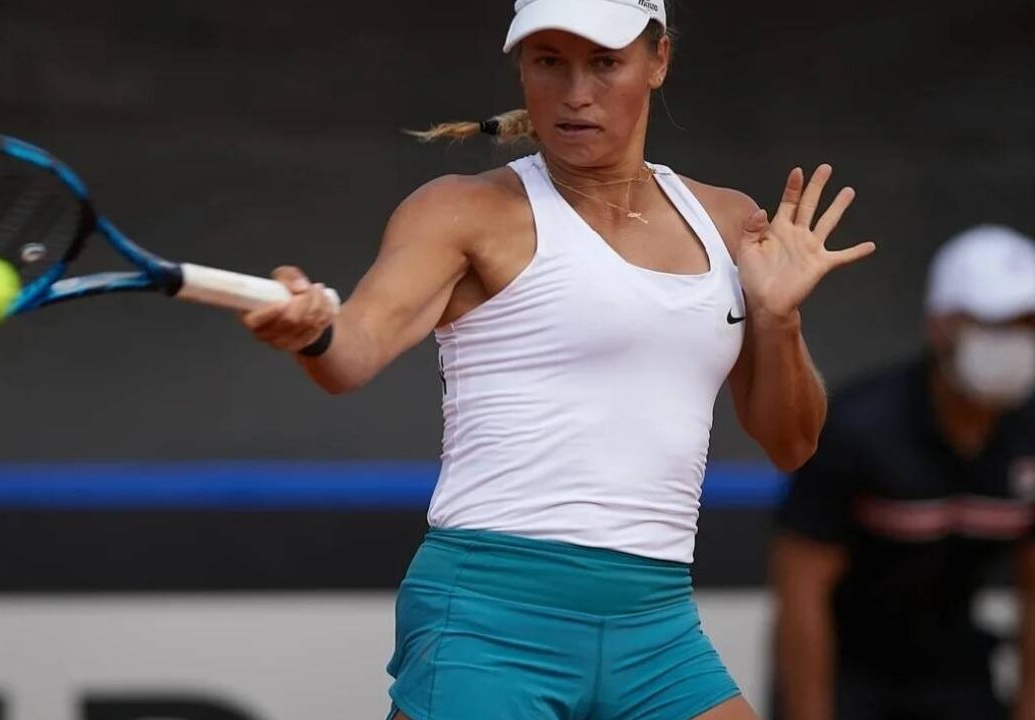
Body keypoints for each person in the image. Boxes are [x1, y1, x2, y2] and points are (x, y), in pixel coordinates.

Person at [242, 0, 874, 717]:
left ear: (659, 61)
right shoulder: (460, 210)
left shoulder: (729, 221)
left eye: (605, 63)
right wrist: (312, 332)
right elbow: (350, 355)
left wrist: (779, 317)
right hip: (489, 618)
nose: (576, 93)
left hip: (657, 625)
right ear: (523, 68)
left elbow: (792, 444)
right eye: (549, 62)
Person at [772, 225, 1035, 720]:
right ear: (940, 325)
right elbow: (802, 592)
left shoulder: (1028, 435)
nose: (1016, 342)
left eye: (1028, 325)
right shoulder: (860, 427)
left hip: (959, 674)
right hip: (847, 674)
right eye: (996, 324)